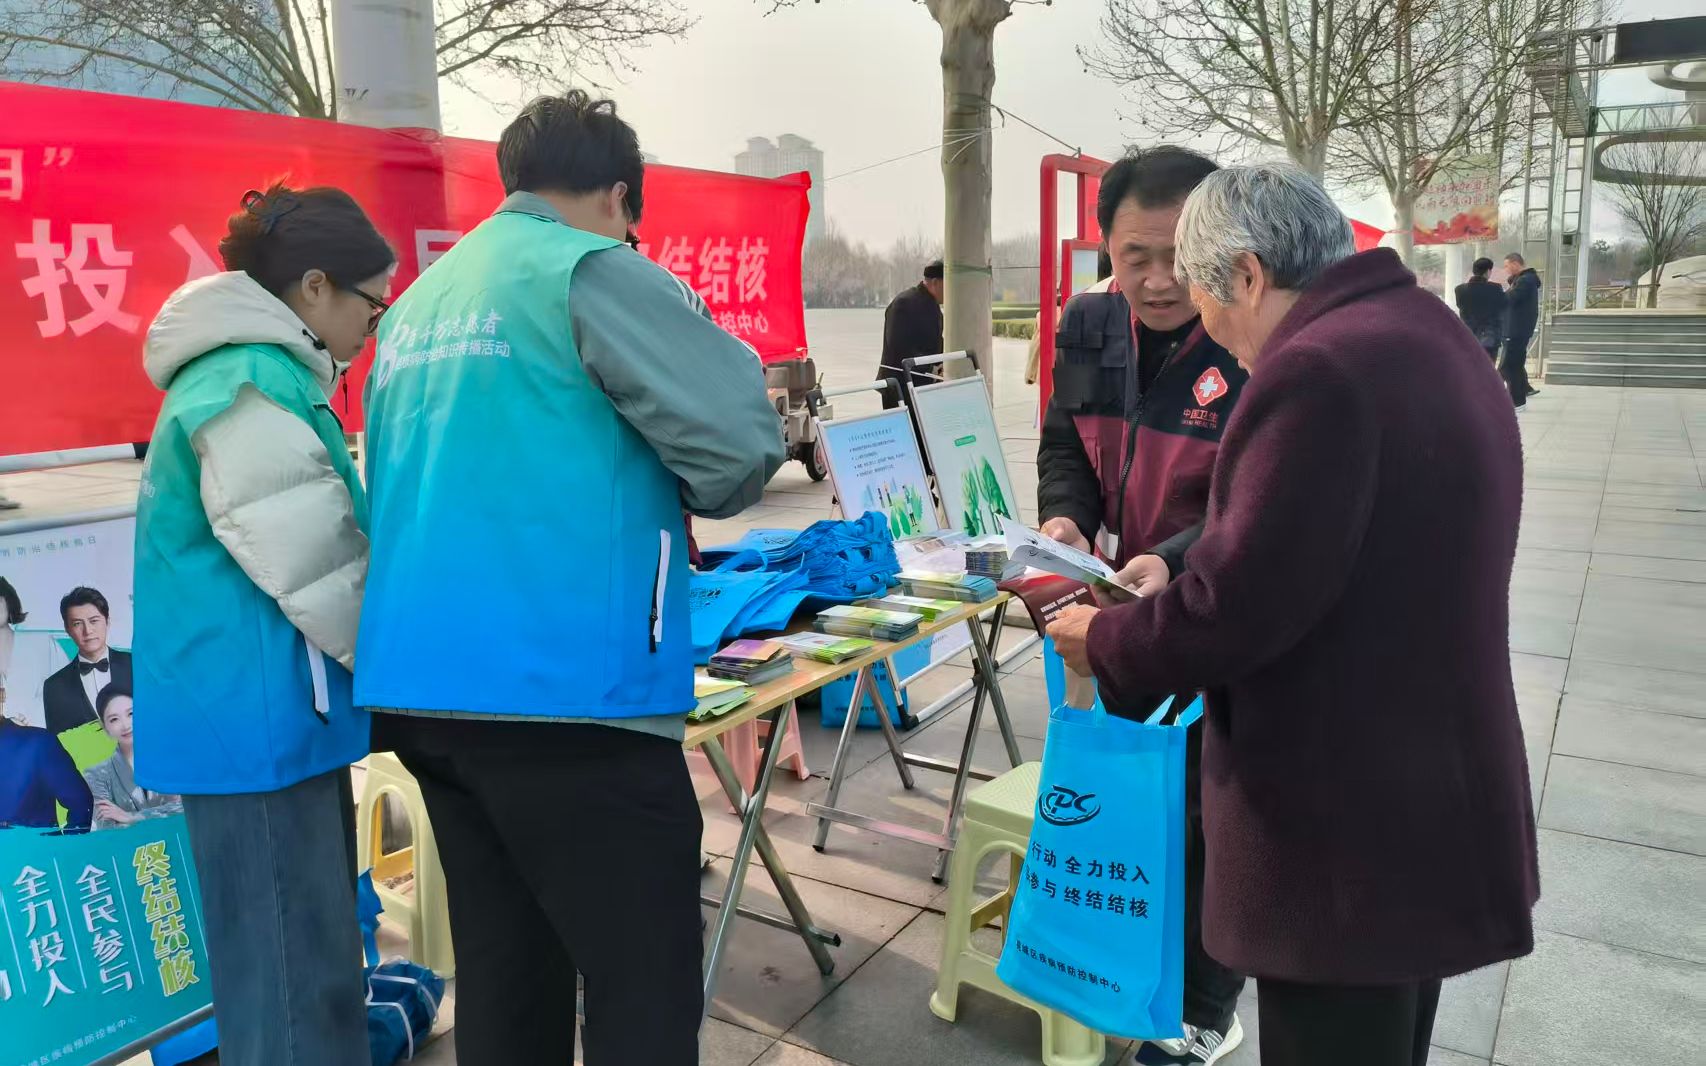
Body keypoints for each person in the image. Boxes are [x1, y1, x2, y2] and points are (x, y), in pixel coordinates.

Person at [1047, 164, 1536, 1066]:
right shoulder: (1420, 328)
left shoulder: (1315, 372)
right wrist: (1174, 564)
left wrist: (1104, 639)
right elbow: (1317, 548)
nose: (1212, 333)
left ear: (1246, 275)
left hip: (1344, 825)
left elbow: (1236, 609)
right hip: (1424, 789)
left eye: (1205, 299)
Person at [358, 91, 784, 1066]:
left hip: (426, 695)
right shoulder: (590, 269)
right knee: (641, 990)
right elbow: (737, 452)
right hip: (568, 698)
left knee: (508, 977)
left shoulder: (420, 302)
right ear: (619, 197)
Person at [133, 183, 389, 1066]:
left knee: (299, 970)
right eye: (370, 305)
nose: (371, 328)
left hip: (262, 720)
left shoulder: (247, 372)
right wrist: (403, 670)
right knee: (292, 986)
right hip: (257, 728)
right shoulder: (246, 381)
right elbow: (317, 565)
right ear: (316, 287)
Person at [1036, 145, 1250, 1066]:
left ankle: (1205, 1009)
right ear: (1106, 250)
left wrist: (1169, 558)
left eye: (1178, 257)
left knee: (1211, 811)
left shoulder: (1248, 332)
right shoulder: (1088, 323)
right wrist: (1066, 517)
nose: (1160, 281)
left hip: (1210, 599)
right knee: (1131, 793)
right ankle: (1128, 965)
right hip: (1116, 603)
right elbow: (1065, 443)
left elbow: (1257, 497)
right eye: (1136, 258)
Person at [84, 684, 183, 830]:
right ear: (104, 727)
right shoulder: (96, 775)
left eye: (131, 714)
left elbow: (186, 808)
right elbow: (107, 828)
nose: (125, 725)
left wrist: (133, 817)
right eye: (114, 719)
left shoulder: (171, 757)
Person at [41, 587, 133, 735]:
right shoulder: (54, 686)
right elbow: (57, 742)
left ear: (107, 621)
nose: (88, 631)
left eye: (94, 621)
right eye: (77, 624)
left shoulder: (135, 666)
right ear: (67, 629)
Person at [878, 259, 945, 408]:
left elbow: (936, 343)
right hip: (900, 386)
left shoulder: (934, 308)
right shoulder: (903, 304)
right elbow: (898, 347)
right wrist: (931, 369)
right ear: (935, 282)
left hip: (925, 384)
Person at [1, 576, 64, 728]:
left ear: (8, 602)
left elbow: (70, 692)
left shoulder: (43, 644)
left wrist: (32, 717)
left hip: (44, 735)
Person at [1503, 252, 1542, 409]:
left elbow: (1510, 298)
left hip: (1517, 329)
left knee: (1508, 366)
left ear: (1515, 263)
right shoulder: (1523, 280)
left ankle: (1513, 399)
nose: (1506, 269)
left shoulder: (1525, 281)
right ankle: (1518, 400)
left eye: (1507, 266)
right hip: (1518, 328)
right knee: (1516, 365)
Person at [1455, 256, 1507, 362]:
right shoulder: (1495, 288)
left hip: (1468, 338)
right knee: (1488, 368)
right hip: (1490, 337)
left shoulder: (1460, 290)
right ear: (1488, 271)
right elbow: (1503, 306)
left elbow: (1460, 306)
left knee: (1470, 368)